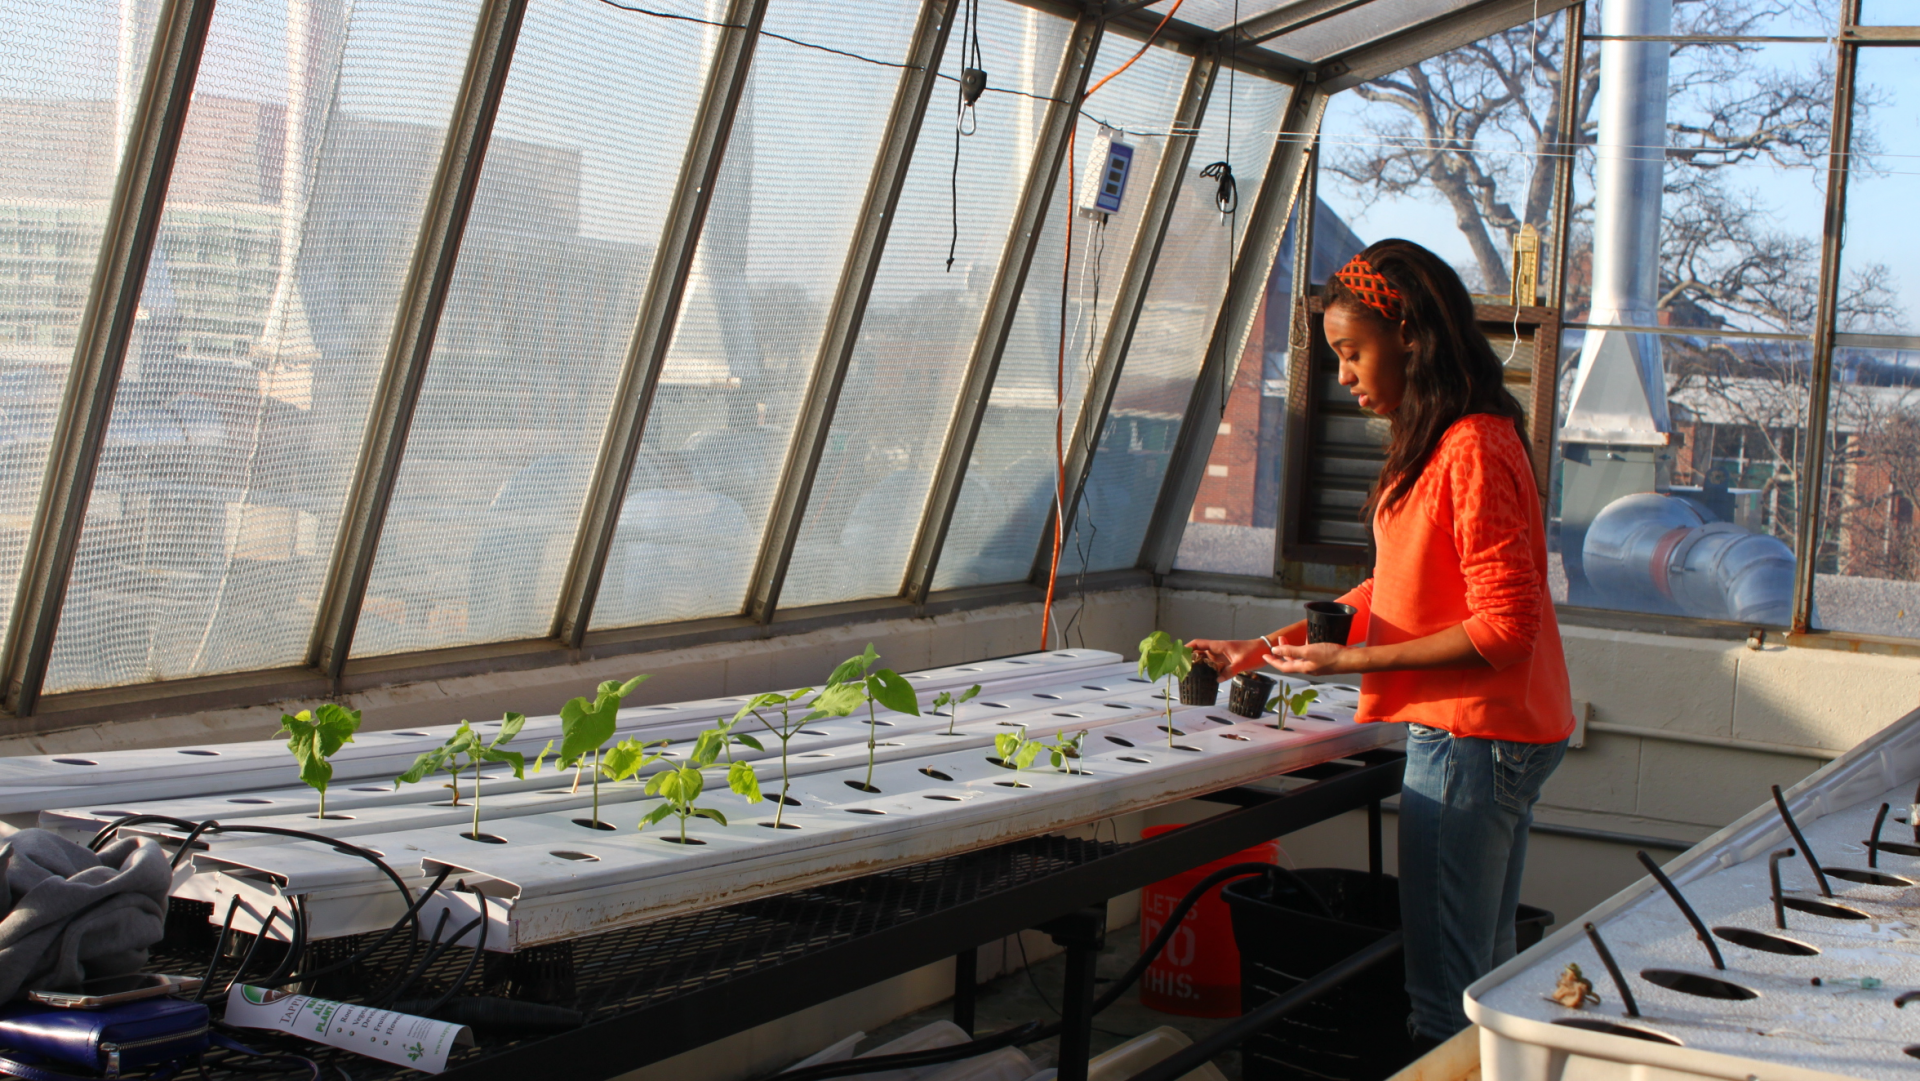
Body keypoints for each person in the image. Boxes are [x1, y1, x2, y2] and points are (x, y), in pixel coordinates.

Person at [1188, 239, 1572, 1048]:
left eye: (1351, 351)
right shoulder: (1445, 443)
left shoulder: (1471, 446)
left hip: (1470, 739)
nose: (1344, 375)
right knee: (1486, 981)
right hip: (1489, 734)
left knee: (1444, 1000)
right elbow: (1385, 593)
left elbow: (1505, 629)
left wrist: (1349, 661)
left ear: (1410, 336)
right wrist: (1262, 647)